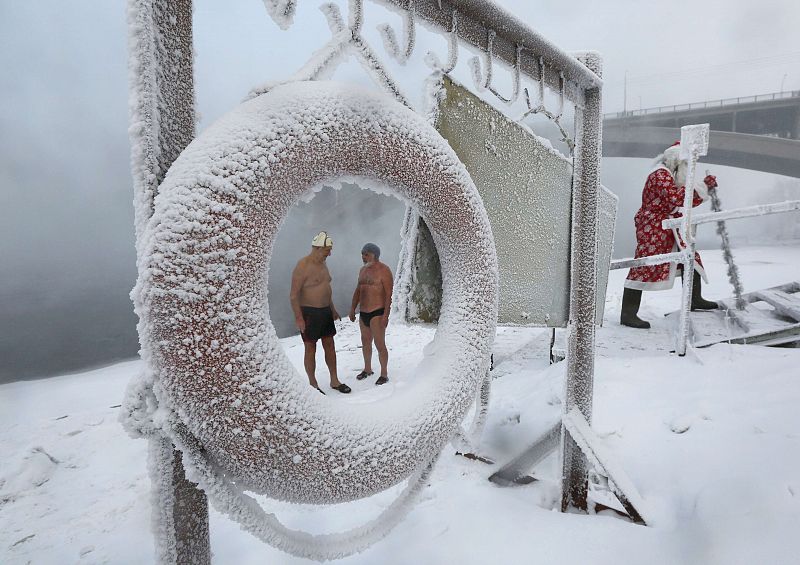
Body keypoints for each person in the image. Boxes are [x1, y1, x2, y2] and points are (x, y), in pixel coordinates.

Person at [622, 142, 719, 329]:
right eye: (686, 165)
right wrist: (702, 187)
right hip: (654, 227)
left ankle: (694, 299)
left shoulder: (668, 175)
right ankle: (628, 314)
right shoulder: (659, 175)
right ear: (676, 161)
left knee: (690, 258)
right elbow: (676, 198)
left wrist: (704, 189)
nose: (688, 169)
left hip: (669, 225)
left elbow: (682, 200)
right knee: (644, 266)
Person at [290, 231, 351, 394]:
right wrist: (299, 318)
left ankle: (334, 380)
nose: (329, 254)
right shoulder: (302, 266)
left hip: (325, 311)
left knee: (330, 345)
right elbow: (294, 295)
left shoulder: (323, 263)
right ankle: (313, 384)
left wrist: (332, 309)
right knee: (310, 347)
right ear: (317, 248)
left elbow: (325, 287)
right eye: (327, 250)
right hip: (309, 312)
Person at [349, 243, 393, 385]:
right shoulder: (362, 270)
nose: (363, 256)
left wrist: (386, 315)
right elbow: (358, 290)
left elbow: (389, 294)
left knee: (380, 344)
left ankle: (384, 373)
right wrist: (352, 308)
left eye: (366, 254)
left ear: (374, 254)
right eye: (362, 253)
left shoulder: (384, 270)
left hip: (377, 312)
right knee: (365, 342)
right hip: (363, 312)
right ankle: (367, 369)